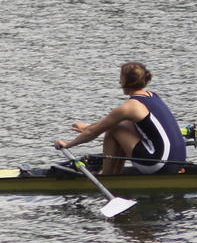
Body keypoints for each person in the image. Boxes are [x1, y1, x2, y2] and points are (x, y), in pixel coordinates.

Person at [54, 62, 186, 176]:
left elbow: (93, 133)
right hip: (178, 161)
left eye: (120, 78)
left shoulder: (129, 107)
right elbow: (109, 121)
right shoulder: (152, 96)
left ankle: (108, 177)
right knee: (125, 125)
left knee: (113, 131)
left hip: (158, 164)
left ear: (127, 81)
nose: (119, 82)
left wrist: (68, 144)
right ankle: (115, 174)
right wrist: (87, 127)